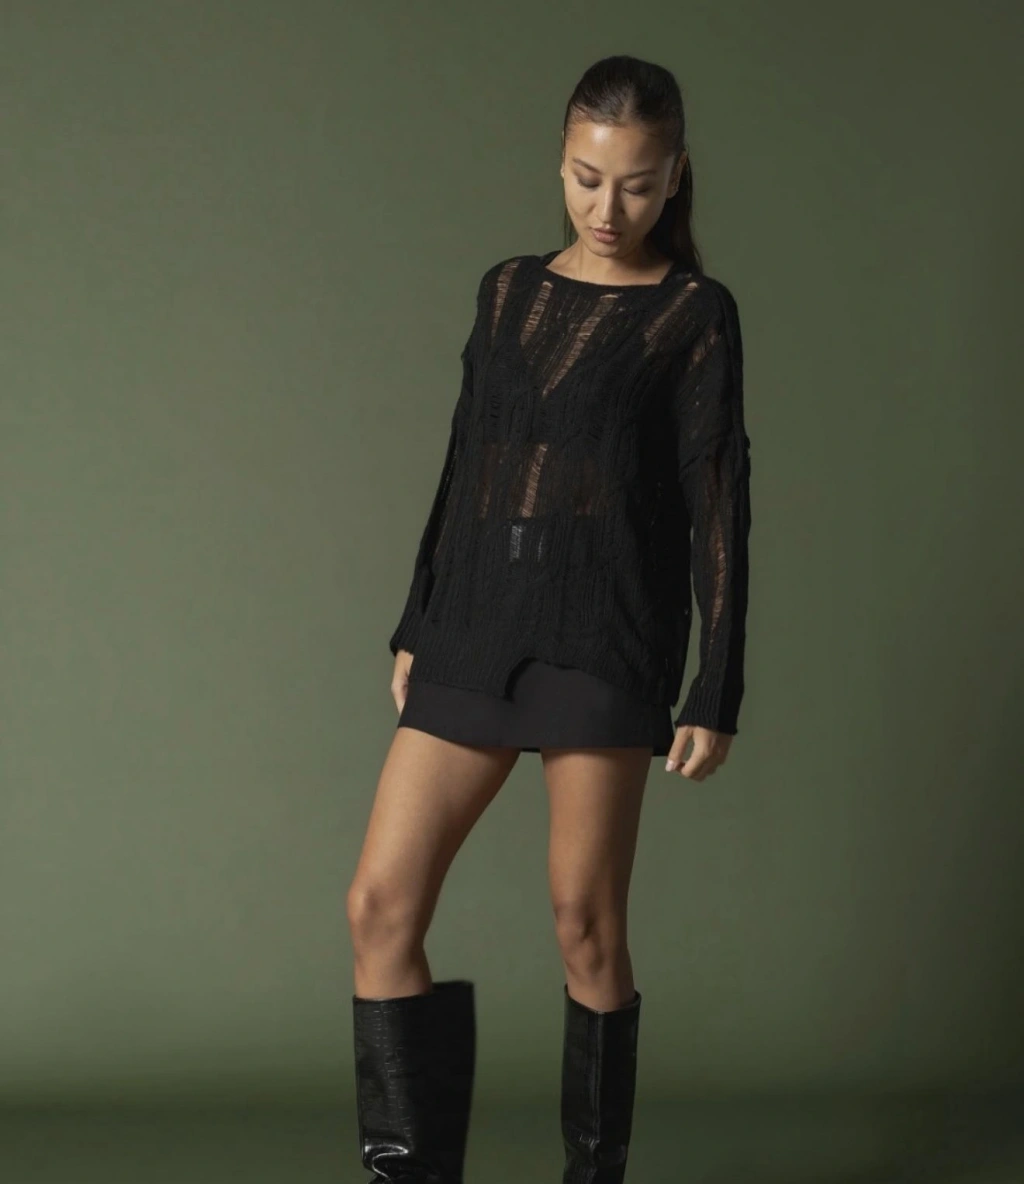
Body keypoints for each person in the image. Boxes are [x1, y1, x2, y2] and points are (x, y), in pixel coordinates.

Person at [348, 53, 752, 1183]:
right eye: (586, 177)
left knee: (585, 924)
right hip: (475, 623)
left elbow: (718, 501)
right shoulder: (507, 290)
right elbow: (467, 462)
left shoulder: (692, 314)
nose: (607, 207)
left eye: (636, 183)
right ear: (560, 162)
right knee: (379, 907)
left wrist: (714, 684)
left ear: (676, 176)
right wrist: (417, 618)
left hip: (604, 631)